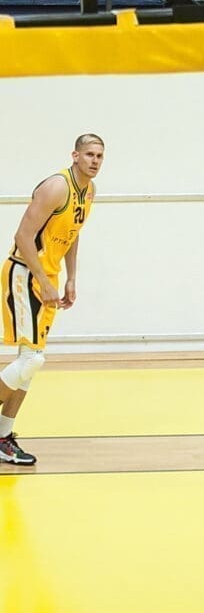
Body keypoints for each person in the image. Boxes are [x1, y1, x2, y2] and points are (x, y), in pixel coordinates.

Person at [0, 133, 104, 465]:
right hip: (24, 272)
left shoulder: (89, 191)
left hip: (48, 276)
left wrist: (70, 277)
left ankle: (3, 437)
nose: (95, 161)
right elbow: (22, 236)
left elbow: (72, 234)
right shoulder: (57, 187)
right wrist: (44, 281)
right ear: (75, 155)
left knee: (29, 365)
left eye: (99, 156)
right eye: (89, 154)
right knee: (31, 360)